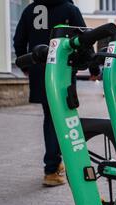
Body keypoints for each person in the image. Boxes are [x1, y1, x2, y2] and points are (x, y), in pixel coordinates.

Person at [14, 0, 98, 187]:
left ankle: (55, 165)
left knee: (50, 117)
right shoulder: (69, 9)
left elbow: (19, 40)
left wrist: (26, 64)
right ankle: (55, 168)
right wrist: (93, 69)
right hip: (62, 71)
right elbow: (86, 40)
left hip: (39, 69)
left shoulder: (30, 10)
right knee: (64, 116)